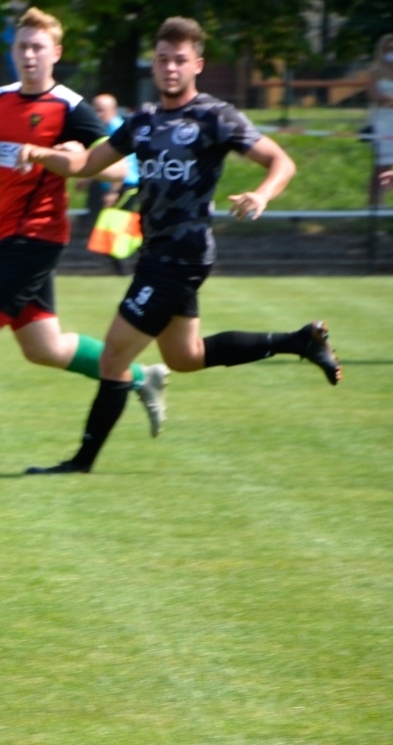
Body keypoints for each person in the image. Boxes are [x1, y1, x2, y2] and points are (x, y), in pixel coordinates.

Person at [20, 16, 341, 476]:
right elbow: (89, 164)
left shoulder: (215, 116)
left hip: (181, 259)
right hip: (155, 254)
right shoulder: (144, 120)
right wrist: (42, 154)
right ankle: (300, 341)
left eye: (180, 60)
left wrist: (262, 194)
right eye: (163, 59)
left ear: (198, 65)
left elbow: (279, 160)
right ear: (154, 64)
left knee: (114, 355)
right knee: (184, 357)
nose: (171, 68)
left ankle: (81, 462)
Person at [0, 8, 165, 469]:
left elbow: (118, 165)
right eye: (22, 47)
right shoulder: (0, 99)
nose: (29, 55)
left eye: (38, 47)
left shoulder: (70, 108)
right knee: (45, 347)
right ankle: (142, 376)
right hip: (8, 235)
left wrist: (64, 158)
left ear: (55, 53)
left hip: (35, 236)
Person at [85, 92, 140, 274]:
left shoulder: (117, 129)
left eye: (101, 110)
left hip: (127, 185)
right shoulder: (108, 128)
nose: (98, 114)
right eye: (95, 110)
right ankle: (123, 270)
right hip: (123, 186)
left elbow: (121, 164)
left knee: (114, 226)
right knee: (115, 226)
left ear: (113, 110)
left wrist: (113, 191)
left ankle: (125, 270)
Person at [372, 35, 393, 206]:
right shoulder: (375, 70)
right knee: (381, 167)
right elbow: (374, 96)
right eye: (388, 48)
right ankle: (375, 206)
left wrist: (388, 100)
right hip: (382, 122)